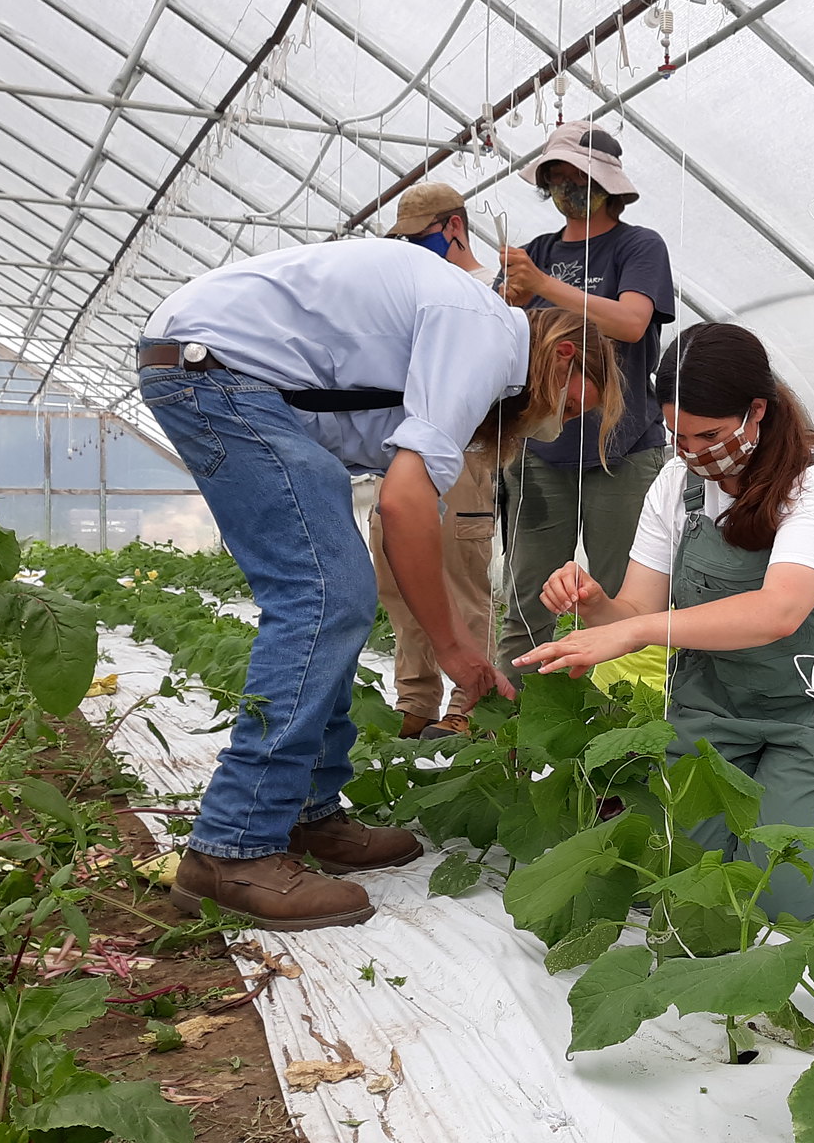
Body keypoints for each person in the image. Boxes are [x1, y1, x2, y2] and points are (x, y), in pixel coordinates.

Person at [137, 237, 623, 930]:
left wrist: (447, 637)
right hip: (215, 368)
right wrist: (454, 647)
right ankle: (233, 848)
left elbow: (403, 487)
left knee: (336, 593)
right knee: (324, 595)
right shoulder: (484, 334)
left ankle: (307, 814)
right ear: (567, 356)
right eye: (574, 409)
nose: (558, 426)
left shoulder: (470, 340)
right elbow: (403, 505)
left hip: (232, 374)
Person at [516, 323, 814, 921]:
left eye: (709, 434)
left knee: (786, 898)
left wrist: (633, 632)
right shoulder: (675, 484)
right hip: (715, 701)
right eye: (677, 435)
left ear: (757, 411)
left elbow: (778, 612)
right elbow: (637, 607)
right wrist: (594, 604)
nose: (694, 452)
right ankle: (798, 808)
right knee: (689, 883)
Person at [496, 120, 676, 682]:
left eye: (577, 175)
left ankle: (624, 722)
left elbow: (631, 321)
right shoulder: (534, 253)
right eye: (555, 176)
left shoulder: (638, 245)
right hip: (541, 450)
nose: (565, 186)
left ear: (606, 182)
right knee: (528, 597)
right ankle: (512, 729)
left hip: (621, 452)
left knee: (626, 600)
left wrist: (543, 286)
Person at [370, 181, 514, 738]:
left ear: (455, 226)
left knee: (460, 576)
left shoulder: (499, 290)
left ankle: (469, 703)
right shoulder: (414, 291)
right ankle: (416, 700)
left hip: (467, 452)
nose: (413, 249)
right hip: (405, 448)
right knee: (397, 576)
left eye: (422, 237)